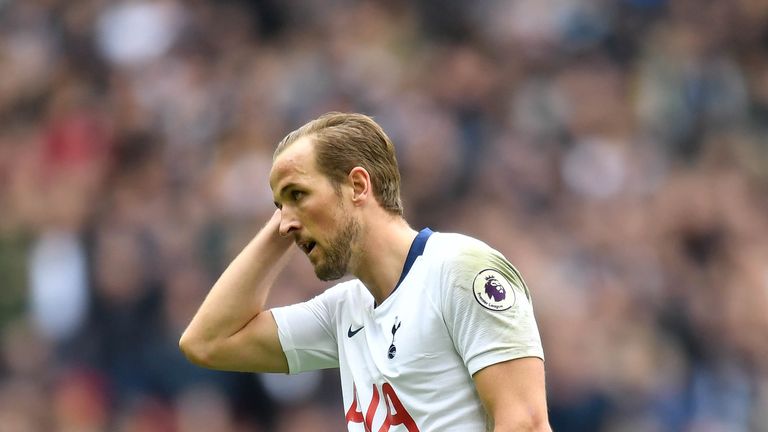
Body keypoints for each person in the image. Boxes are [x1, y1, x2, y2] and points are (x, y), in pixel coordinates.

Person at [179, 112, 551, 431]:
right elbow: (207, 343)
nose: (284, 225)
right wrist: (285, 214)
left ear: (358, 185)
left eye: (298, 195)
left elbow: (526, 422)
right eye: (278, 206)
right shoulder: (343, 311)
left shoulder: (458, 268)